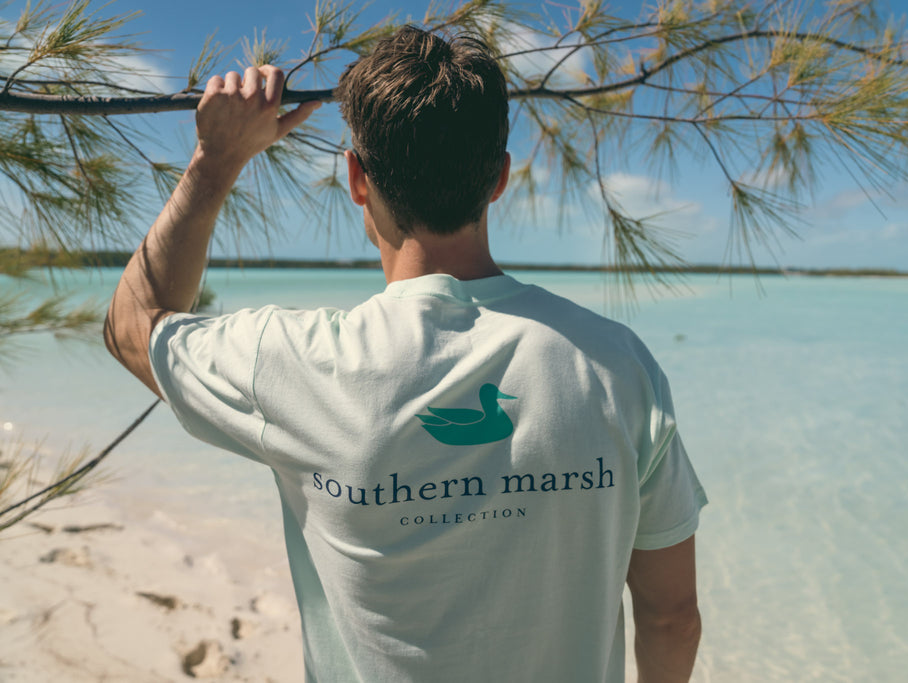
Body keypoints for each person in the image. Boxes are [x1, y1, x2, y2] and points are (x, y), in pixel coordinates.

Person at [105, 25, 707, 683]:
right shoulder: (617, 363)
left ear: (356, 178)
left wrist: (217, 160)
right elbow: (672, 617)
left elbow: (133, 325)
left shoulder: (296, 362)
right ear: (500, 178)